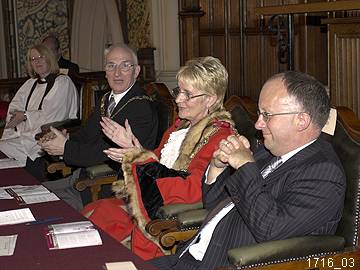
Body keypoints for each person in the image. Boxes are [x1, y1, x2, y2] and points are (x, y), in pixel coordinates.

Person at [150, 71, 346, 270]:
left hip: (228, 265)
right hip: (190, 257)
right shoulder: (270, 150)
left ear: (301, 121)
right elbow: (213, 203)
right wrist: (218, 167)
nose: (258, 124)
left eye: (266, 115)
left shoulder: (323, 173)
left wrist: (245, 166)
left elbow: (271, 229)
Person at [81, 56, 236, 260]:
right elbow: (158, 161)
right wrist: (133, 147)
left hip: (167, 217)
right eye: (178, 91)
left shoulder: (220, 137)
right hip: (149, 203)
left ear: (211, 99)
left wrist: (140, 157)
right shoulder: (181, 125)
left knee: (98, 239)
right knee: (94, 213)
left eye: (187, 94)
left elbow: (194, 190)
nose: (178, 99)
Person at [39, 43, 158, 210]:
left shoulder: (140, 107)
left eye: (125, 65)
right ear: (106, 71)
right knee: (28, 195)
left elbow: (106, 152)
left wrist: (65, 148)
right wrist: (65, 138)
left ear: (136, 71)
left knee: (38, 207)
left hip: (104, 187)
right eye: (111, 66)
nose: (117, 73)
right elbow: (87, 134)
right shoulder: (107, 99)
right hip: (81, 176)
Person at [0, 44, 78, 179]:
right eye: (33, 59)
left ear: (49, 59)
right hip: (25, 131)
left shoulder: (62, 82)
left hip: (46, 133)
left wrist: (25, 116)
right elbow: (16, 105)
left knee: (5, 149)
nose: (37, 61)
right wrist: (17, 117)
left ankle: (23, 182)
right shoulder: (31, 83)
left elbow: (53, 114)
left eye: (40, 57)